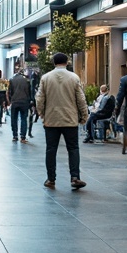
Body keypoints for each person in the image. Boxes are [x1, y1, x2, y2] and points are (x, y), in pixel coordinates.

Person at [36, 52, 88, 190]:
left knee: (51, 149)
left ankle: (51, 179)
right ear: (67, 62)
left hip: (51, 120)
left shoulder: (45, 78)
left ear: (53, 62)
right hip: (70, 119)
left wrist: (41, 113)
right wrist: (84, 115)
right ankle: (75, 177)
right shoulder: (74, 77)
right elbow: (81, 99)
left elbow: (39, 98)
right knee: (73, 148)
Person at [8, 62, 32, 144]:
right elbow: (29, 92)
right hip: (24, 102)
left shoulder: (11, 80)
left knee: (14, 119)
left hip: (15, 102)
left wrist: (11, 100)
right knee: (24, 119)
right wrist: (30, 101)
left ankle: (15, 136)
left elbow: (10, 92)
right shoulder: (26, 80)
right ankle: (23, 137)